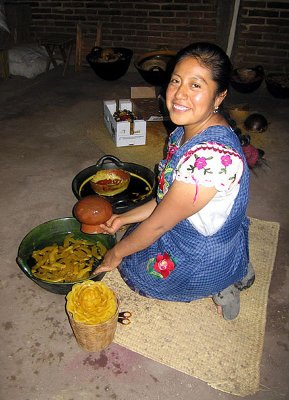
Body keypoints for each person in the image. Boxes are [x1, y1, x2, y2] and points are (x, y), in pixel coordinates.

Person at [94, 42, 255, 320]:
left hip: (202, 251)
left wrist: (116, 254)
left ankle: (220, 280)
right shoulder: (185, 132)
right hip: (190, 224)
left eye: (196, 85)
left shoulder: (210, 161)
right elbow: (165, 199)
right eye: (176, 81)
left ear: (219, 97)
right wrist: (124, 218)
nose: (179, 94)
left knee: (132, 266)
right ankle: (234, 267)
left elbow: (159, 223)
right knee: (134, 235)